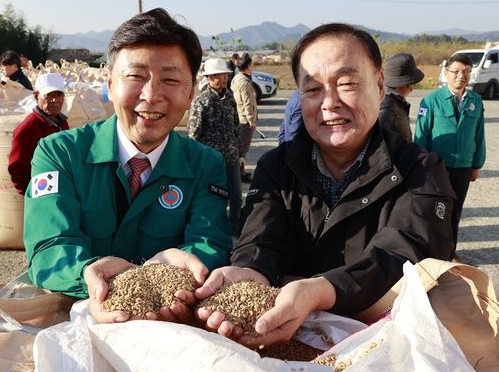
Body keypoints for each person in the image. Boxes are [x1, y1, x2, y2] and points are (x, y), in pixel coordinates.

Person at [195, 23, 455, 346]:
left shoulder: (421, 170)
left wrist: (321, 291)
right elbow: (260, 238)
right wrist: (251, 272)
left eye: (346, 83)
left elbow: (404, 255)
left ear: (380, 85)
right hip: (285, 347)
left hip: (386, 350)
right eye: (313, 89)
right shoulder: (275, 167)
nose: (329, 103)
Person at [23, 8, 233, 324]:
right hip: (76, 314)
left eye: (171, 80)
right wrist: (87, 274)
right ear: (109, 84)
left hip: (167, 323)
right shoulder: (60, 153)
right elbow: (49, 247)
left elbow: (210, 242)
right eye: (135, 77)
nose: (151, 96)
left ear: (191, 93)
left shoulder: (205, 164)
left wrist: (171, 268)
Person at [414, 54, 486, 262]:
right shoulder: (431, 101)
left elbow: (479, 135)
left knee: (455, 212)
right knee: (436, 212)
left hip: (462, 167)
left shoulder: (475, 101)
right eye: (456, 71)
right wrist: (422, 168)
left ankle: (450, 252)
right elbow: (421, 136)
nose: (460, 76)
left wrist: (476, 164)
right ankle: (431, 254)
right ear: (446, 73)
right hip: (437, 169)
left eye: (466, 72)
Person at [187, 58, 242, 236]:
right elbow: (193, 135)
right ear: (210, 78)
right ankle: (213, 230)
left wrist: (240, 153)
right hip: (210, 162)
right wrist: (195, 162)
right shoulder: (201, 102)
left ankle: (236, 228)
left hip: (231, 157)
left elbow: (236, 127)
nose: (224, 78)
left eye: (225, 74)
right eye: (219, 75)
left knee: (236, 196)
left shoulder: (230, 98)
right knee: (213, 198)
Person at [8, 73, 69, 195]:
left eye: (59, 95)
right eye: (48, 95)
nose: (55, 100)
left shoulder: (62, 123)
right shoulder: (28, 129)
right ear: (36, 96)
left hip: (61, 188)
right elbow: (16, 168)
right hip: (42, 193)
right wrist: (30, 195)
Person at [378, 53, 424, 141]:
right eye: (412, 83)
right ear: (404, 84)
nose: (413, 88)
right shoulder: (386, 108)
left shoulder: (396, 102)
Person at [231, 54, 258, 183]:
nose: (252, 68)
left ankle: (240, 172)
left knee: (240, 147)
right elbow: (247, 103)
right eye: (251, 65)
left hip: (239, 117)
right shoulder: (244, 82)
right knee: (243, 148)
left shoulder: (237, 78)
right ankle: (240, 173)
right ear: (247, 67)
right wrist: (251, 120)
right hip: (244, 120)